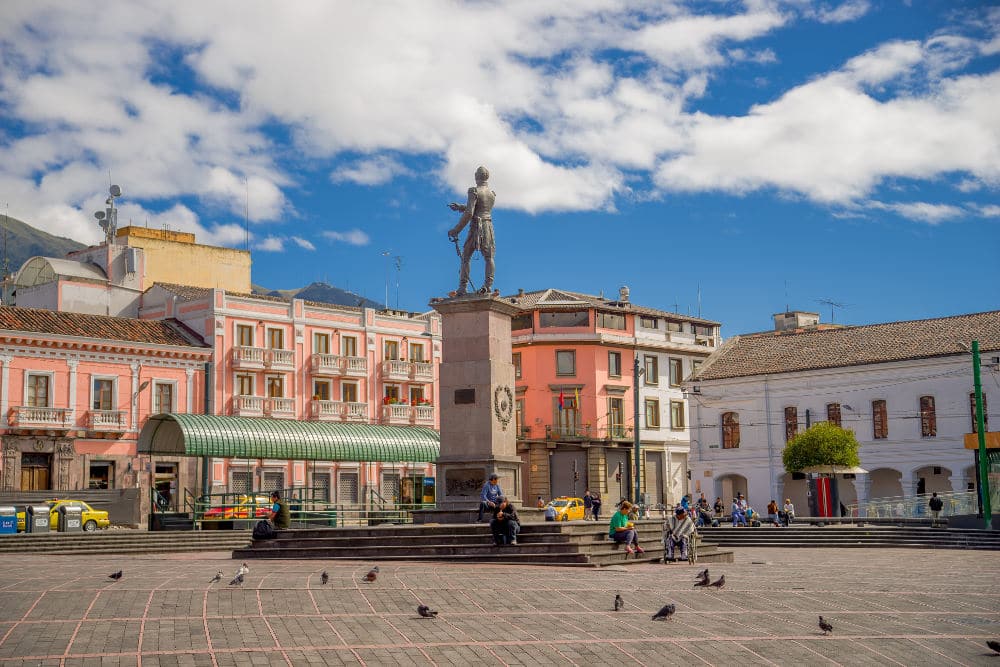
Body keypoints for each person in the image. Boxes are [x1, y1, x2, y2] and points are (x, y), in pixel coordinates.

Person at [447, 165, 496, 296]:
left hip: (476, 227)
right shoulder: (492, 194)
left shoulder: (473, 190)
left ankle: (462, 288)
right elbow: (479, 207)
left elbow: (470, 213)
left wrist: (456, 229)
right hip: (488, 226)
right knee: (489, 257)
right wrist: (460, 207)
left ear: (476, 177)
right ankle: (488, 286)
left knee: (465, 257)